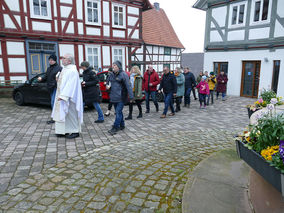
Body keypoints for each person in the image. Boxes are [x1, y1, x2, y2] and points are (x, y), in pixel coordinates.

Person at [51, 54, 83, 139]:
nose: (62, 59)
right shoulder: (65, 69)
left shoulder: (72, 70)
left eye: (64, 58)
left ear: (69, 61)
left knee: (71, 114)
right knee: (63, 113)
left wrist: (64, 96)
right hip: (62, 95)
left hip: (70, 97)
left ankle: (75, 131)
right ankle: (62, 131)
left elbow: (71, 85)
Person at [107, 60, 134, 135]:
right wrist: (107, 86)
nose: (113, 67)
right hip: (114, 97)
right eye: (113, 65)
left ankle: (116, 127)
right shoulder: (111, 74)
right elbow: (108, 82)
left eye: (115, 65)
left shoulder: (123, 75)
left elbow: (128, 86)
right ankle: (122, 125)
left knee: (118, 112)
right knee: (119, 112)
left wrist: (131, 97)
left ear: (119, 67)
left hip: (121, 97)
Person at [38, 54, 62, 124]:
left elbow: (60, 79)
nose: (50, 61)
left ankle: (55, 118)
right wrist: (41, 78)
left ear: (55, 60)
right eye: (49, 60)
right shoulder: (49, 68)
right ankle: (56, 117)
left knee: (53, 103)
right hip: (50, 88)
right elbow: (46, 76)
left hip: (55, 88)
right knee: (53, 103)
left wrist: (55, 84)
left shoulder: (59, 68)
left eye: (52, 60)